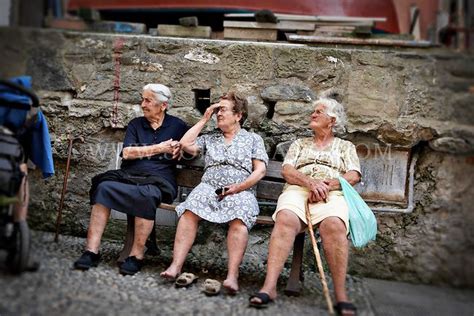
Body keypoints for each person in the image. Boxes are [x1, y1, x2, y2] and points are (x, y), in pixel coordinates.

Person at [249, 98, 361, 316]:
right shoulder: (299, 144)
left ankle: (340, 295)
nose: (313, 115)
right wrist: (310, 183)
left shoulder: (346, 147)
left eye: (319, 112)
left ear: (332, 120)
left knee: (335, 225)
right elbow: (287, 171)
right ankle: (269, 287)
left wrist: (327, 185)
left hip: (332, 194)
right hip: (298, 191)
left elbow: (353, 175)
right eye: (314, 111)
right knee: (286, 218)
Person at [73, 84, 188, 275]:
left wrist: (182, 147)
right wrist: (160, 148)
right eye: (142, 99)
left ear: (163, 105)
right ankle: (91, 251)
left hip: (159, 180)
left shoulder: (178, 126)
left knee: (147, 194)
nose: (142, 104)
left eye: (147, 100)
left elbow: (192, 146)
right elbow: (127, 153)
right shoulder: (136, 124)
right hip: (129, 175)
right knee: (104, 186)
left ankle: (136, 255)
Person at [160, 92, 268, 294]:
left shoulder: (253, 139)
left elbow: (260, 170)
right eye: (217, 110)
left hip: (240, 189)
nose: (218, 114)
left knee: (239, 218)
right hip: (209, 187)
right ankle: (175, 266)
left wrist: (240, 187)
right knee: (189, 210)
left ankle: (232, 276)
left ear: (238, 115)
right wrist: (204, 118)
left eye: (223, 110)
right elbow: (185, 144)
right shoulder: (210, 138)